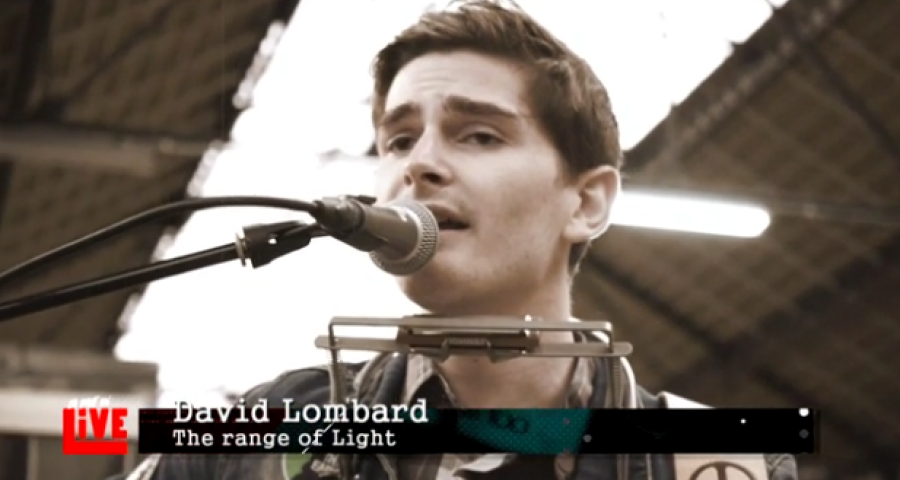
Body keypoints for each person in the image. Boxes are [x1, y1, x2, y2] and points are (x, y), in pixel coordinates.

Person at [133, 2, 799, 479]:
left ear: (587, 202)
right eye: (399, 140)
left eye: (479, 135)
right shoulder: (254, 434)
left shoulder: (716, 460)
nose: (418, 164)